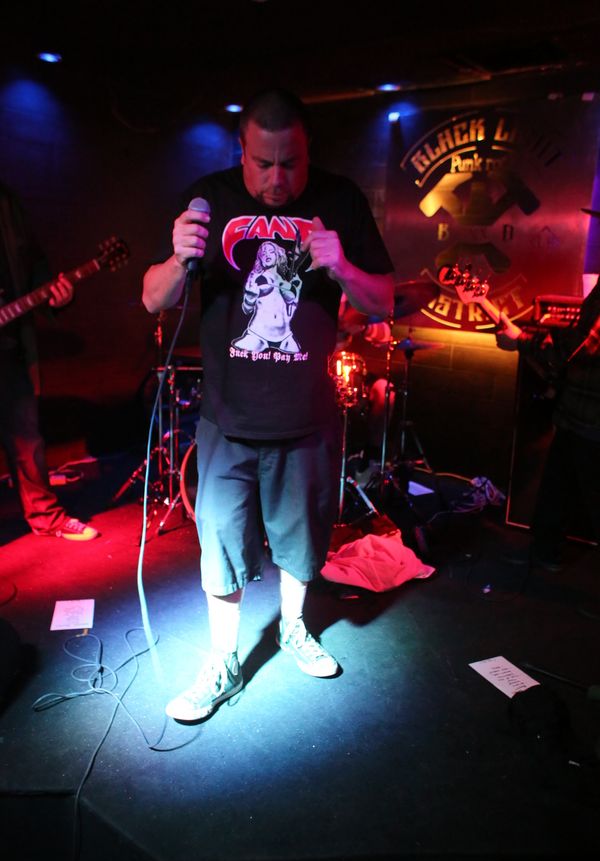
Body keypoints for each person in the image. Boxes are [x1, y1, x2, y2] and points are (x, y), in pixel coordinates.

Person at [142, 88, 394, 721]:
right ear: (242, 152)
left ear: (308, 151)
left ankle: (293, 628)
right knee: (221, 542)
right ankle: (223, 660)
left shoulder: (340, 200)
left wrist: (342, 268)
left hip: (307, 417)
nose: (277, 179)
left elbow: (384, 301)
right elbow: (152, 298)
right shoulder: (208, 198)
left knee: (302, 540)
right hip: (227, 417)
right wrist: (177, 257)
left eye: (290, 163)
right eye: (263, 163)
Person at [0, 181, 99, 542]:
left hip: (8, 347)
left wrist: (56, 296)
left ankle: (46, 516)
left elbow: (32, 263)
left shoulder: (7, 201)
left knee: (27, 439)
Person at [495, 243, 600, 570]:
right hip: (576, 413)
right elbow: (580, 337)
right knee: (556, 486)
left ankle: (546, 552)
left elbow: (582, 349)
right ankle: (544, 552)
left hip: (591, 418)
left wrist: (521, 340)